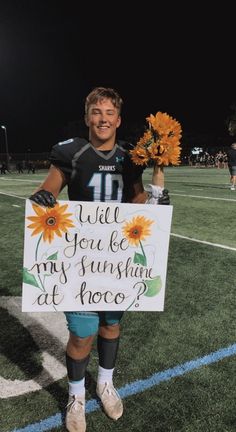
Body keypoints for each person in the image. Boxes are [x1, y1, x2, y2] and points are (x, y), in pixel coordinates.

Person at [29, 87, 169, 432]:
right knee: (82, 334)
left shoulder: (128, 157)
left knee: (111, 325)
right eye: (97, 112)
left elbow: (137, 199)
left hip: (115, 258)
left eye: (109, 113)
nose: (103, 118)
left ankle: (105, 383)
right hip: (79, 257)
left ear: (118, 120)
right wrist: (44, 195)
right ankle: (76, 395)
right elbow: (51, 185)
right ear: (87, 117)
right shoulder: (71, 152)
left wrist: (155, 203)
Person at [227, 119, 236, 190]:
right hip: (234, 165)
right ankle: (232, 186)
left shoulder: (229, 151)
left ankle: (232, 184)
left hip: (230, 165)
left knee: (232, 175)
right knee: (234, 175)